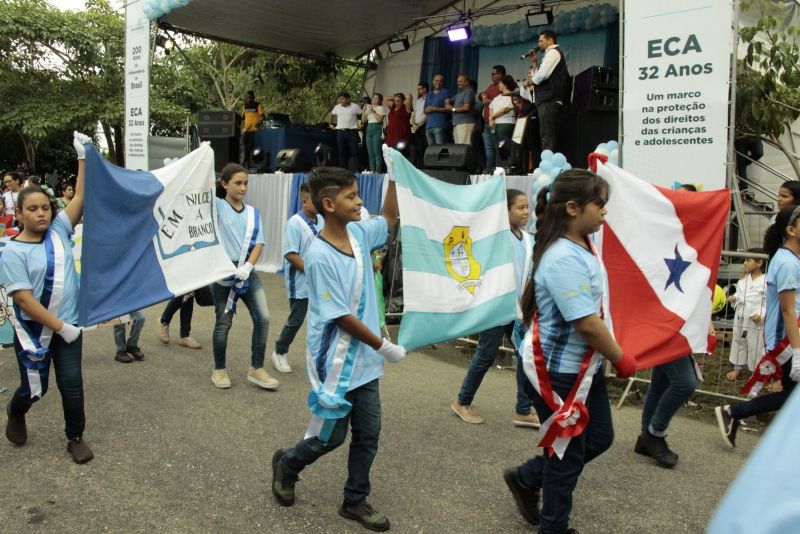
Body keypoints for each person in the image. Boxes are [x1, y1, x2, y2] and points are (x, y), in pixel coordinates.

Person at [271, 166, 405, 532]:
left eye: (358, 194)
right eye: (351, 196)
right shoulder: (318, 255)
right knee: (330, 437)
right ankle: (288, 464)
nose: (360, 201)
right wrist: (384, 345)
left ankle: (355, 500)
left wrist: (394, 174)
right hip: (336, 360)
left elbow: (390, 218)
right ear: (328, 204)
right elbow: (342, 317)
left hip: (366, 361)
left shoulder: (360, 233)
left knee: (369, 434)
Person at [503, 170, 635, 533]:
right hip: (556, 370)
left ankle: (528, 478)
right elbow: (586, 323)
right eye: (600, 205)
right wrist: (621, 357)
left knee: (598, 437)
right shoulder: (563, 257)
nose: (605, 213)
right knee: (567, 452)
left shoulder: (582, 246)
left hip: (581, 368)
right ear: (574, 208)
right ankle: (553, 526)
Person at [2, 132, 93, 463]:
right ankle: (16, 410)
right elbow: (24, 300)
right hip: (34, 331)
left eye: (45, 207)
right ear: (20, 213)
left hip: (67, 327)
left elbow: (80, 197)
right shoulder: (12, 252)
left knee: (71, 384)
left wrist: (82, 156)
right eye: (32, 209)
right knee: (33, 389)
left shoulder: (58, 230)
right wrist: (60, 327)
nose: (41, 213)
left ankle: (75, 436)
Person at [452, 189, 539, 428]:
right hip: (497, 307)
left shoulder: (528, 239)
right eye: (519, 207)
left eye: (526, 207)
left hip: (518, 309)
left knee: (525, 356)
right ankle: (463, 400)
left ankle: (522, 408)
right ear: (506, 210)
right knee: (486, 355)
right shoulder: (497, 237)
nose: (526, 212)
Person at [715, 205, 800, 448]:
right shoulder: (786, 263)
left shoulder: (792, 259)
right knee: (791, 396)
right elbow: (787, 309)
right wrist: (796, 352)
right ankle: (735, 412)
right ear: (791, 230)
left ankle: (735, 412)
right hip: (786, 340)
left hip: (793, 337)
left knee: (791, 396)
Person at [634, 183, 705, 468]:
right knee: (684, 382)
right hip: (661, 319)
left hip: (680, 319)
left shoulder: (694, 238)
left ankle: (646, 435)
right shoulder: (659, 235)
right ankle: (655, 432)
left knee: (662, 380)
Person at [211, 163, 278, 390]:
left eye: (246, 183)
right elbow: (198, 194)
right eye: (238, 183)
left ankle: (256, 368)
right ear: (224, 184)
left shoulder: (252, 213)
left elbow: (259, 243)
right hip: (224, 272)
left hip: (247, 272)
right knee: (223, 322)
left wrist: (249, 266)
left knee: (263, 318)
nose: (243, 188)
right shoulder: (217, 207)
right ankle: (219, 370)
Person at [271, 183, 324, 374]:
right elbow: (291, 254)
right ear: (304, 201)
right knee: (296, 319)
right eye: (315, 199)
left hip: (320, 282)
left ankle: (320, 357)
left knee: (322, 320)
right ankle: (279, 351)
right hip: (300, 282)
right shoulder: (295, 223)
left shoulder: (322, 220)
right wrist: (311, 271)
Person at [726, 249, 766, 381]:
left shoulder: (766, 281)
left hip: (754, 319)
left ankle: (755, 372)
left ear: (759, 262)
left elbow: (768, 302)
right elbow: (740, 294)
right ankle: (737, 367)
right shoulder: (744, 280)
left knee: (755, 344)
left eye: (748, 260)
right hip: (740, 315)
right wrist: (734, 298)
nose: (745, 263)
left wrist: (760, 314)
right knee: (738, 340)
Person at [530, 30, 570, 152]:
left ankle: (548, 167)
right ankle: (548, 163)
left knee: (548, 136)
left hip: (550, 100)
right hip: (546, 100)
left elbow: (542, 75)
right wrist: (534, 62)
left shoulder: (553, 52)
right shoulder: (548, 54)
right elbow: (537, 75)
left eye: (541, 41)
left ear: (550, 40)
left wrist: (529, 81)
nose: (539, 44)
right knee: (547, 135)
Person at [329, 92, 363, 172]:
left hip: (352, 132)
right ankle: (342, 171)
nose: (341, 101)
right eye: (340, 99)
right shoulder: (337, 107)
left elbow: (362, 114)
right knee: (341, 152)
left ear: (348, 99)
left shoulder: (355, 106)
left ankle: (356, 170)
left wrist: (362, 124)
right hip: (340, 132)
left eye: (343, 99)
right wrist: (330, 124)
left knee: (354, 152)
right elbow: (330, 114)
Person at [481, 65, 505, 172]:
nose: (492, 76)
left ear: (500, 74)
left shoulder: (503, 87)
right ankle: (489, 169)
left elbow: (504, 104)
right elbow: (482, 96)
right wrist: (482, 96)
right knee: (488, 148)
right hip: (486, 122)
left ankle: (496, 169)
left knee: (496, 147)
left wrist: (489, 101)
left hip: (495, 122)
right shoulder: (491, 87)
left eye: (493, 74)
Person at [489, 75, 518, 153]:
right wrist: (490, 120)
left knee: (504, 147)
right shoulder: (497, 97)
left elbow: (506, 109)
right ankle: (498, 164)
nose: (498, 85)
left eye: (500, 83)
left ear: (505, 85)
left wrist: (493, 116)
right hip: (495, 125)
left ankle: (505, 164)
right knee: (497, 148)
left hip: (506, 124)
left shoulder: (513, 96)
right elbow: (491, 107)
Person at [423, 74, 451, 146]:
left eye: (440, 81)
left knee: (440, 149)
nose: (438, 83)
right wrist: (427, 110)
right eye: (436, 80)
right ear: (433, 81)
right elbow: (424, 110)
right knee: (432, 151)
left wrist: (435, 109)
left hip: (439, 125)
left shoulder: (445, 92)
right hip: (428, 126)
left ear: (443, 83)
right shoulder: (429, 94)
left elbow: (448, 109)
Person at [449, 74, 476, 145]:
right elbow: (448, 101)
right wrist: (446, 102)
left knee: (464, 147)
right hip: (457, 123)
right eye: (457, 81)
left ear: (466, 82)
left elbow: (466, 107)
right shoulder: (460, 93)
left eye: (460, 81)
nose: (458, 83)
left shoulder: (469, 91)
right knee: (458, 147)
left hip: (464, 123)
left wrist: (453, 109)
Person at [362, 94, 386, 173]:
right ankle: (372, 169)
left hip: (376, 128)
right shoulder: (368, 108)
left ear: (379, 101)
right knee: (370, 152)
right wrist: (364, 110)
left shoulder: (381, 108)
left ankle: (378, 170)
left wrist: (373, 110)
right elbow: (363, 120)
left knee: (377, 151)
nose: (374, 99)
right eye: (373, 98)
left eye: (376, 98)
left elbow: (379, 119)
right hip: (369, 128)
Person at [241, 90, 265, 165]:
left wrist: (258, 124)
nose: (249, 99)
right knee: (245, 148)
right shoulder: (245, 106)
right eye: (248, 97)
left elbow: (263, 116)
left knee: (251, 147)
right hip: (246, 130)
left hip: (254, 131)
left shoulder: (258, 105)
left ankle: (250, 163)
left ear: (254, 98)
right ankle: (246, 163)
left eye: (251, 97)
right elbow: (243, 117)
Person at [411, 82, 428, 167]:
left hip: (424, 126)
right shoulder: (418, 100)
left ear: (424, 89)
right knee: (419, 148)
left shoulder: (428, 99)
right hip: (416, 126)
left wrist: (419, 124)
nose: (418, 91)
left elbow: (427, 114)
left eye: (420, 89)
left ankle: (426, 166)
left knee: (425, 146)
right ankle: (420, 166)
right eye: (418, 89)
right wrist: (413, 123)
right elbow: (414, 112)